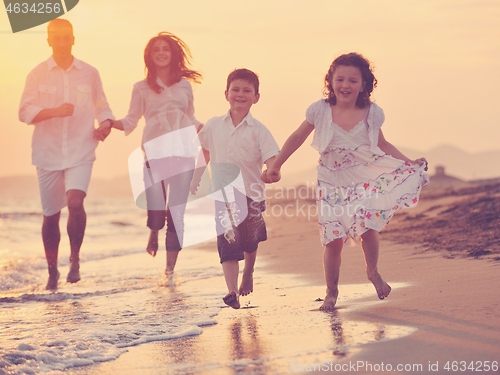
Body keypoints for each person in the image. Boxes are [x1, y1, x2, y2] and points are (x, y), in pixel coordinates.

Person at [263, 53, 428, 310]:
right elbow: (296, 137)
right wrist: (276, 164)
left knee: (367, 226)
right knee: (333, 239)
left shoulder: (371, 113)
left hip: (362, 178)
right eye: (340, 79)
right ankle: (331, 292)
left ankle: (372, 271)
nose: (345, 85)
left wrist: (409, 163)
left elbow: (382, 144)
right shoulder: (320, 110)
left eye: (353, 80)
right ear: (330, 81)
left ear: (364, 84)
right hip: (330, 181)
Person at [18, 19, 114, 290]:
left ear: (73, 39)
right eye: (56, 38)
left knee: (74, 202)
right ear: (48, 40)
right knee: (51, 215)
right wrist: (54, 111)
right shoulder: (37, 74)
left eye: (66, 38)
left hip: (81, 150)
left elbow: (102, 107)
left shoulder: (89, 73)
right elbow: (24, 111)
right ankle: (52, 272)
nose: (61, 42)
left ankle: (74, 259)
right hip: (47, 154)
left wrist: (105, 125)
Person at [109, 32, 202, 274]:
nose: (161, 52)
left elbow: (189, 116)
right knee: (157, 211)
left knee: (177, 214)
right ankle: (153, 231)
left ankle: (169, 270)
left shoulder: (184, 86)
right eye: (155, 50)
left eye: (165, 49)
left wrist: (207, 128)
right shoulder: (140, 88)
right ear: (149, 57)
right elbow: (131, 120)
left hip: (184, 153)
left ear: (173, 54)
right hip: (154, 154)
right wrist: (110, 123)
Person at [190, 69, 280, 309]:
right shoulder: (213, 125)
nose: (240, 94)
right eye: (236, 89)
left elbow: (272, 156)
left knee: (249, 241)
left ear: (256, 97)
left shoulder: (259, 130)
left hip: (252, 195)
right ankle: (231, 290)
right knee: (228, 242)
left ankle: (248, 272)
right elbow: (205, 151)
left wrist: (272, 171)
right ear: (226, 94)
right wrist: (197, 175)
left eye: (247, 91)